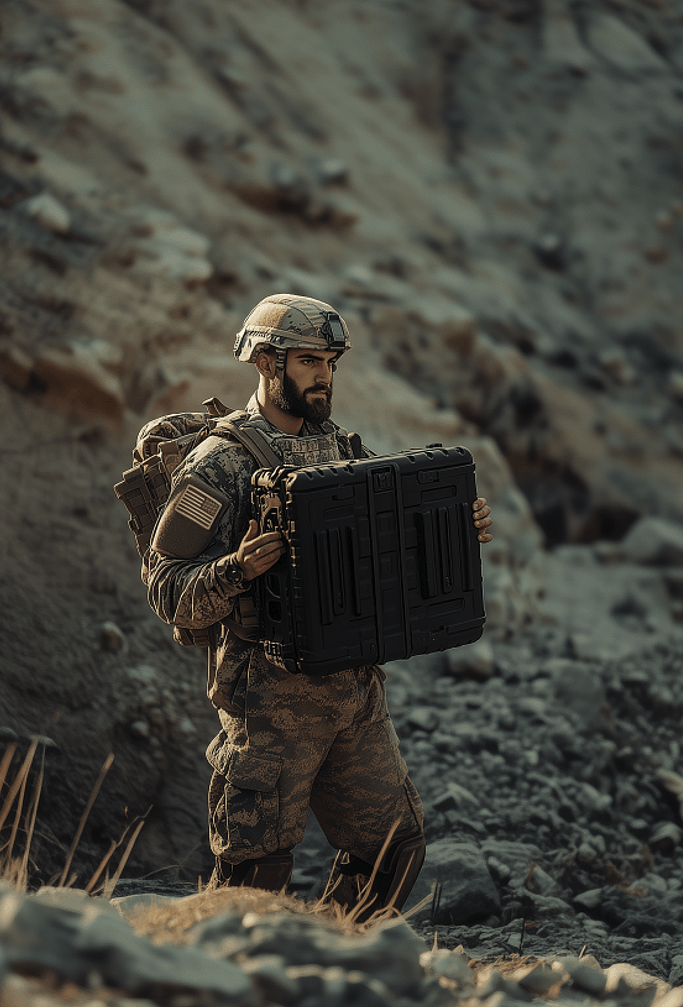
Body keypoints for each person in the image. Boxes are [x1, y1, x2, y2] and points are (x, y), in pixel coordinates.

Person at [145, 293, 493, 920]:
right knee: (257, 872)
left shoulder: (341, 451)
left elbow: (382, 554)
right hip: (268, 702)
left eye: (331, 361)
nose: (325, 375)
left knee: (393, 848)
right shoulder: (218, 464)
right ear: (266, 364)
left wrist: (452, 530)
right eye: (309, 360)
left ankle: (336, 955)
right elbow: (167, 586)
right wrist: (236, 569)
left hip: (353, 694)